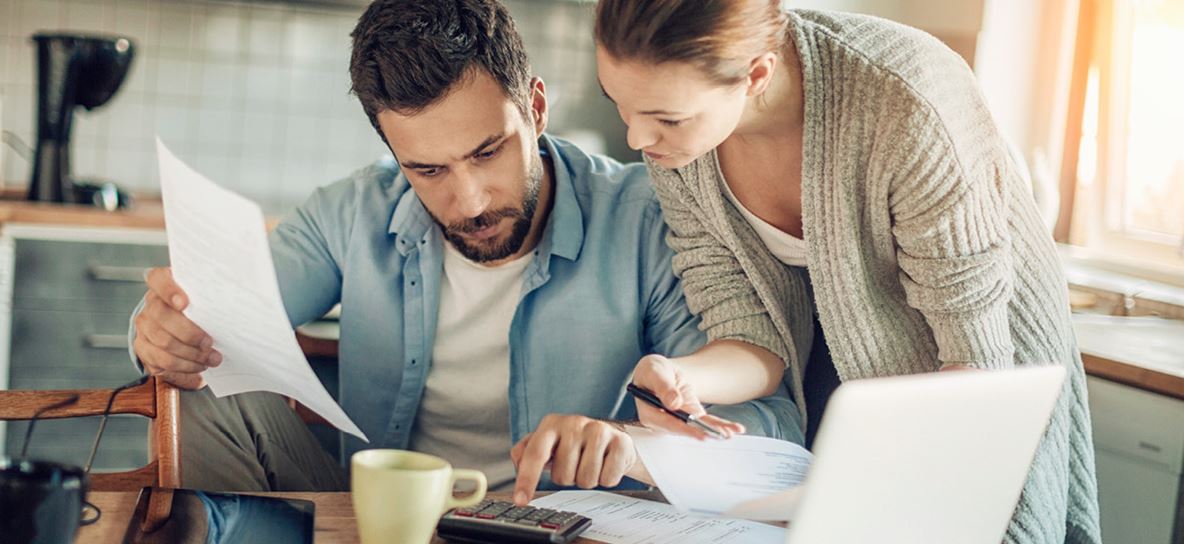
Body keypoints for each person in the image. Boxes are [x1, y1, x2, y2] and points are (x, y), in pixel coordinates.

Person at [127, 0, 801, 505]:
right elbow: (217, 319)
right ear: (393, 155)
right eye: (428, 170)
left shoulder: (647, 220)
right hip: (379, 521)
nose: (471, 201)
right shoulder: (351, 211)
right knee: (197, 388)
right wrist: (161, 333)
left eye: (488, 152)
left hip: (563, 526)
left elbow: (763, 428)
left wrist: (638, 447)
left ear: (535, 108)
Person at [590, 1, 1100, 542]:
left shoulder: (907, 100)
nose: (637, 140)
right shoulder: (677, 146)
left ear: (756, 73)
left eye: (667, 118)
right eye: (620, 105)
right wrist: (685, 378)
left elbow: (976, 364)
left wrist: (875, 468)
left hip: (980, 362)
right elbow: (751, 335)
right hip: (841, 358)